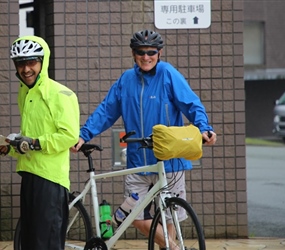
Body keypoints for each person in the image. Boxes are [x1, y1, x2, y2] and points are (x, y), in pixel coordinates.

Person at [71, 29, 217, 248]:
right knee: (137, 218)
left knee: (170, 218)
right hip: (138, 160)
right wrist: (84, 134)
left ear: (159, 53)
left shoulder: (167, 73)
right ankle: (175, 248)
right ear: (133, 53)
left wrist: (204, 128)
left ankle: (169, 247)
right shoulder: (126, 80)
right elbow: (106, 111)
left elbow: (191, 103)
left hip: (170, 159)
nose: (146, 57)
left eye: (151, 52)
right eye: (141, 52)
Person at [0, 36, 80, 250]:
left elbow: (69, 135)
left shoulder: (60, 94)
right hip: (29, 175)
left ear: (43, 62)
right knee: (31, 243)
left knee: (47, 244)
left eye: (31, 62)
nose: (26, 69)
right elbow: (29, 140)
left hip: (51, 181)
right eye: (20, 63)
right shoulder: (25, 93)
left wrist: (34, 143)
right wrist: (10, 148)